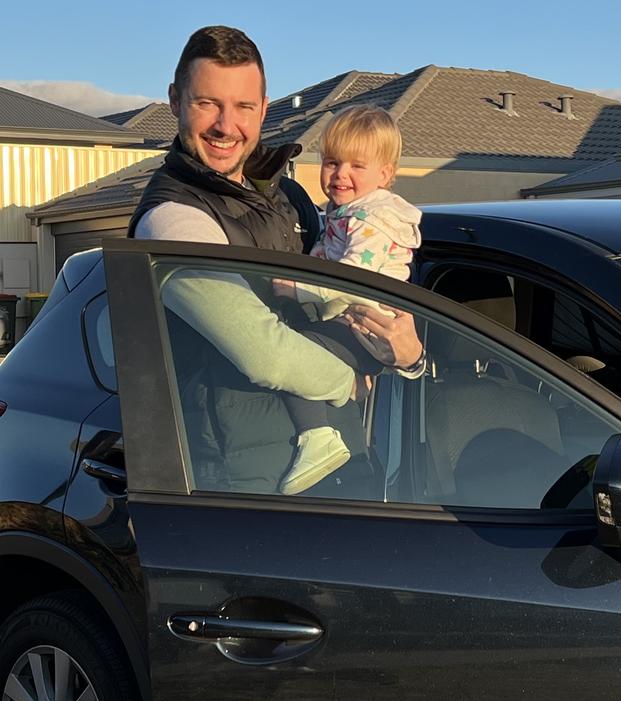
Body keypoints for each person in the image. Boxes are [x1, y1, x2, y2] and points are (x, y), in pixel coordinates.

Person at [128, 25, 424, 494]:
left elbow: (340, 303)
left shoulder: (287, 196)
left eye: (243, 106)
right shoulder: (174, 219)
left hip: (342, 459)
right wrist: (354, 381)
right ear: (175, 101)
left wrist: (408, 357)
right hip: (248, 483)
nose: (227, 126)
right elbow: (264, 355)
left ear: (264, 109)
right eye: (208, 103)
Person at [273, 105, 422, 495]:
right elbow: (326, 256)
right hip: (349, 321)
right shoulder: (343, 212)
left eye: (357, 165)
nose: (340, 174)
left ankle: (317, 435)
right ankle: (349, 385)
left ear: (386, 175)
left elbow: (350, 279)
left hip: (369, 328)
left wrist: (295, 287)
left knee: (290, 352)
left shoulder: (373, 221)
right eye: (331, 162)